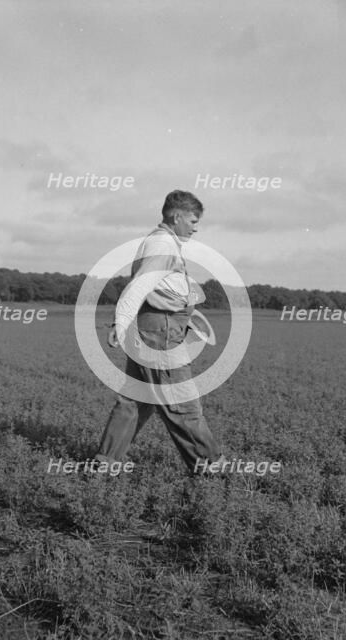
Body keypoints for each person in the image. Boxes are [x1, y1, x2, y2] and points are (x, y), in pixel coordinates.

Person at [95, 190, 223, 472]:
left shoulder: (159, 241)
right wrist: (121, 321)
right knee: (182, 404)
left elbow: (160, 288)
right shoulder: (163, 245)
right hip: (159, 333)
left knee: (135, 400)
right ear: (176, 216)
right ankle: (212, 468)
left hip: (153, 328)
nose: (195, 226)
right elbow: (140, 285)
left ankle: (107, 464)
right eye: (192, 220)